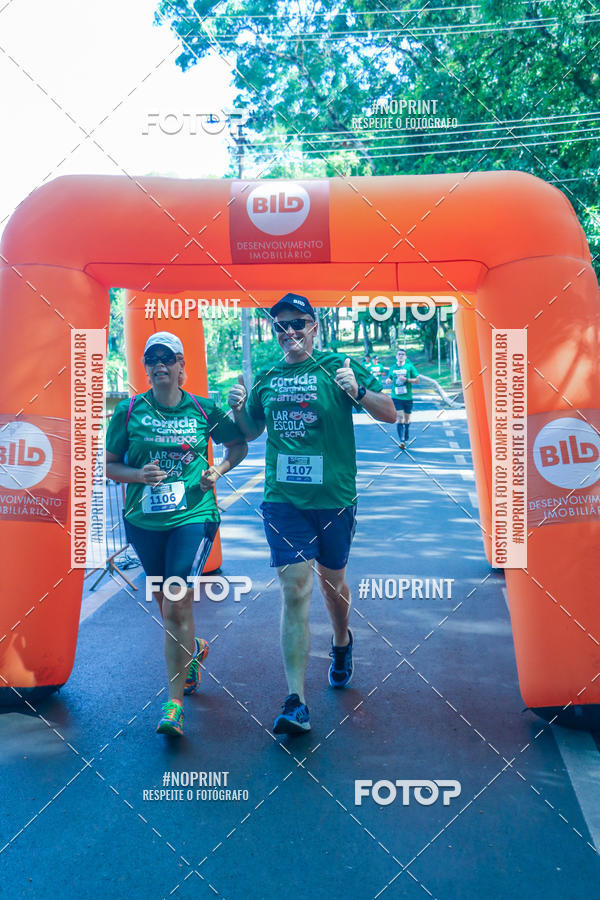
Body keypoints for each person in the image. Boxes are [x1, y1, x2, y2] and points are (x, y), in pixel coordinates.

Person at [228, 293, 396, 735]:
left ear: (314, 325)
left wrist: (356, 390)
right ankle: (295, 700)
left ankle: (342, 641)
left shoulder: (338, 365)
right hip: (283, 500)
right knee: (295, 588)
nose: (290, 332)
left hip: (334, 498)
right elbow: (250, 429)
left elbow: (390, 412)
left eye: (298, 323)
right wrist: (236, 408)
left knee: (332, 581)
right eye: (280, 325)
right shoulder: (266, 375)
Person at [105, 331, 247, 737]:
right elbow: (110, 466)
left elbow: (237, 446)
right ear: (145, 367)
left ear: (183, 366)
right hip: (144, 521)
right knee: (166, 605)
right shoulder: (129, 411)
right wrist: (138, 475)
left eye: (168, 358)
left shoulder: (203, 409)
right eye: (152, 359)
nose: (160, 365)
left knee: (178, 602)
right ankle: (195, 650)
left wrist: (217, 471)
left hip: (193, 515)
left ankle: (173, 704)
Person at [386, 347, 419, 449]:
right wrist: (388, 380)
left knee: (407, 419)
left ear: (405, 357)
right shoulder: (392, 368)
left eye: (402, 354)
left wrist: (406, 379)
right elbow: (389, 378)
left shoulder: (409, 367)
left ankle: (406, 431)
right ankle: (402, 440)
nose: (400, 356)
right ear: (396, 356)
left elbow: (417, 380)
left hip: (407, 397)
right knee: (400, 418)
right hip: (396, 396)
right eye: (399, 354)